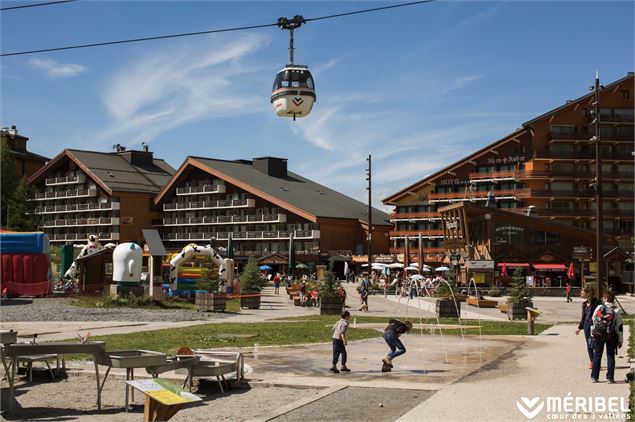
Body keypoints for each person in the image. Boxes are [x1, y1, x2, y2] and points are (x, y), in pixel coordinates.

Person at [590, 290, 623, 383]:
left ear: (605, 298)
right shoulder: (616, 310)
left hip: (598, 334)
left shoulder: (599, 307)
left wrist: (592, 334)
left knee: (597, 355)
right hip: (611, 336)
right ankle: (610, 378)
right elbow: (619, 326)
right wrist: (620, 340)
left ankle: (594, 377)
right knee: (610, 356)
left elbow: (593, 320)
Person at [575, 286, 600, 369]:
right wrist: (579, 327)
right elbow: (584, 316)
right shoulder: (584, 304)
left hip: (595, 326)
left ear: (588, 293)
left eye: (582, 292)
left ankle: (597, 362)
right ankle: (592, 361)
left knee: (596, 344)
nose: (581, 294)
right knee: (589, 343)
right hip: (586, 325)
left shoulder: (597, 303)